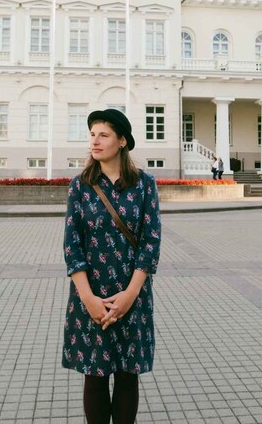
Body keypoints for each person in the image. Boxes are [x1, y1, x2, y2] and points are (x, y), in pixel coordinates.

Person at [62, 108, 162, 424]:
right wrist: (88, 298)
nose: (95, 140)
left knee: (127, 374)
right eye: (92, 134)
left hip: (132, 294)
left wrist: (131, 293)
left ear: (121, 141)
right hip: (91, 295)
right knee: (94, 375)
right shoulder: (81, 186)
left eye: (103, 134)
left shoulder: (145, 185)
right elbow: (71, 244)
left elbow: (151, 241)